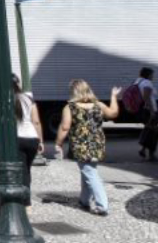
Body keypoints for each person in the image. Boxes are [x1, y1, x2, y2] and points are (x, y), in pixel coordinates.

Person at [55, 79, 120, 216]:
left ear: (74, 91)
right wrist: (114, 96)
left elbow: (65, 127)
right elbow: (113, 113)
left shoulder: (70, 107)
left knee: (90, 173)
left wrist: (58, 143)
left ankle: (102, 205)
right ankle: (84, 200)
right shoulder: (99, 105)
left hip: (81, 145)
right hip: (97, 144)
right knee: (88, 171)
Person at [0, 75, 42, 208]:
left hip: (16, 139)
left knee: (19, 171)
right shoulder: (29, 99)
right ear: (18, 84)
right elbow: (36, 121)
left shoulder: (5, 100)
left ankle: (24, 202)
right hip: (32, 138)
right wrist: (40, 140)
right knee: (27, 170)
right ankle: (25, 200)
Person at [134, 67, 158, 162]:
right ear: (148, 75)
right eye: (152, 74)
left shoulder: (138, 81)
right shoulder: (147, 83)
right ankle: (151, 154)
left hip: (143, 109)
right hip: (150, 110)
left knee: (150, 130)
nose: (153, 76)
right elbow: (146, 98)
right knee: (155, 132)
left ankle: (143, 149)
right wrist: (152, 111)